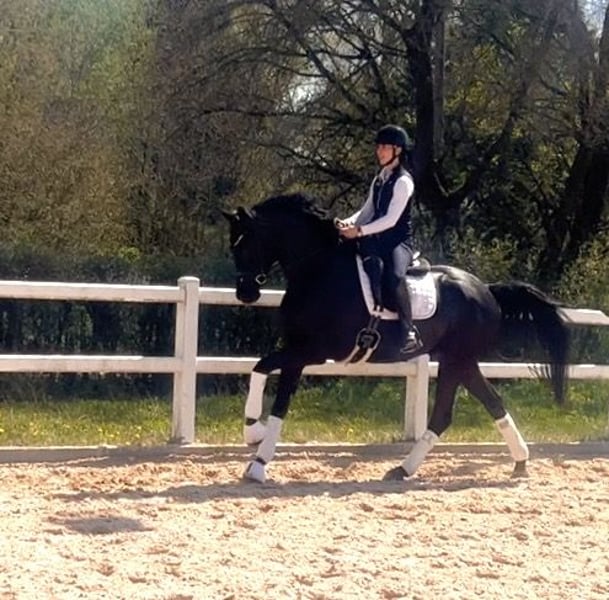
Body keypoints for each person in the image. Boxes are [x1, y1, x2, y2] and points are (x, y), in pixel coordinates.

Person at [335, 124, 422, 354]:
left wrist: (359, 231)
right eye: (379, 147)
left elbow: (391, 220)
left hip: (398, 242)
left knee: (394, 276)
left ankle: (408, 331)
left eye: (385, 147)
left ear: (397, 150)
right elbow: (367, 211)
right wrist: (346, 223)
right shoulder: (380, 178)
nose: (379, 151)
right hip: (376, 239)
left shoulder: (403, 182)